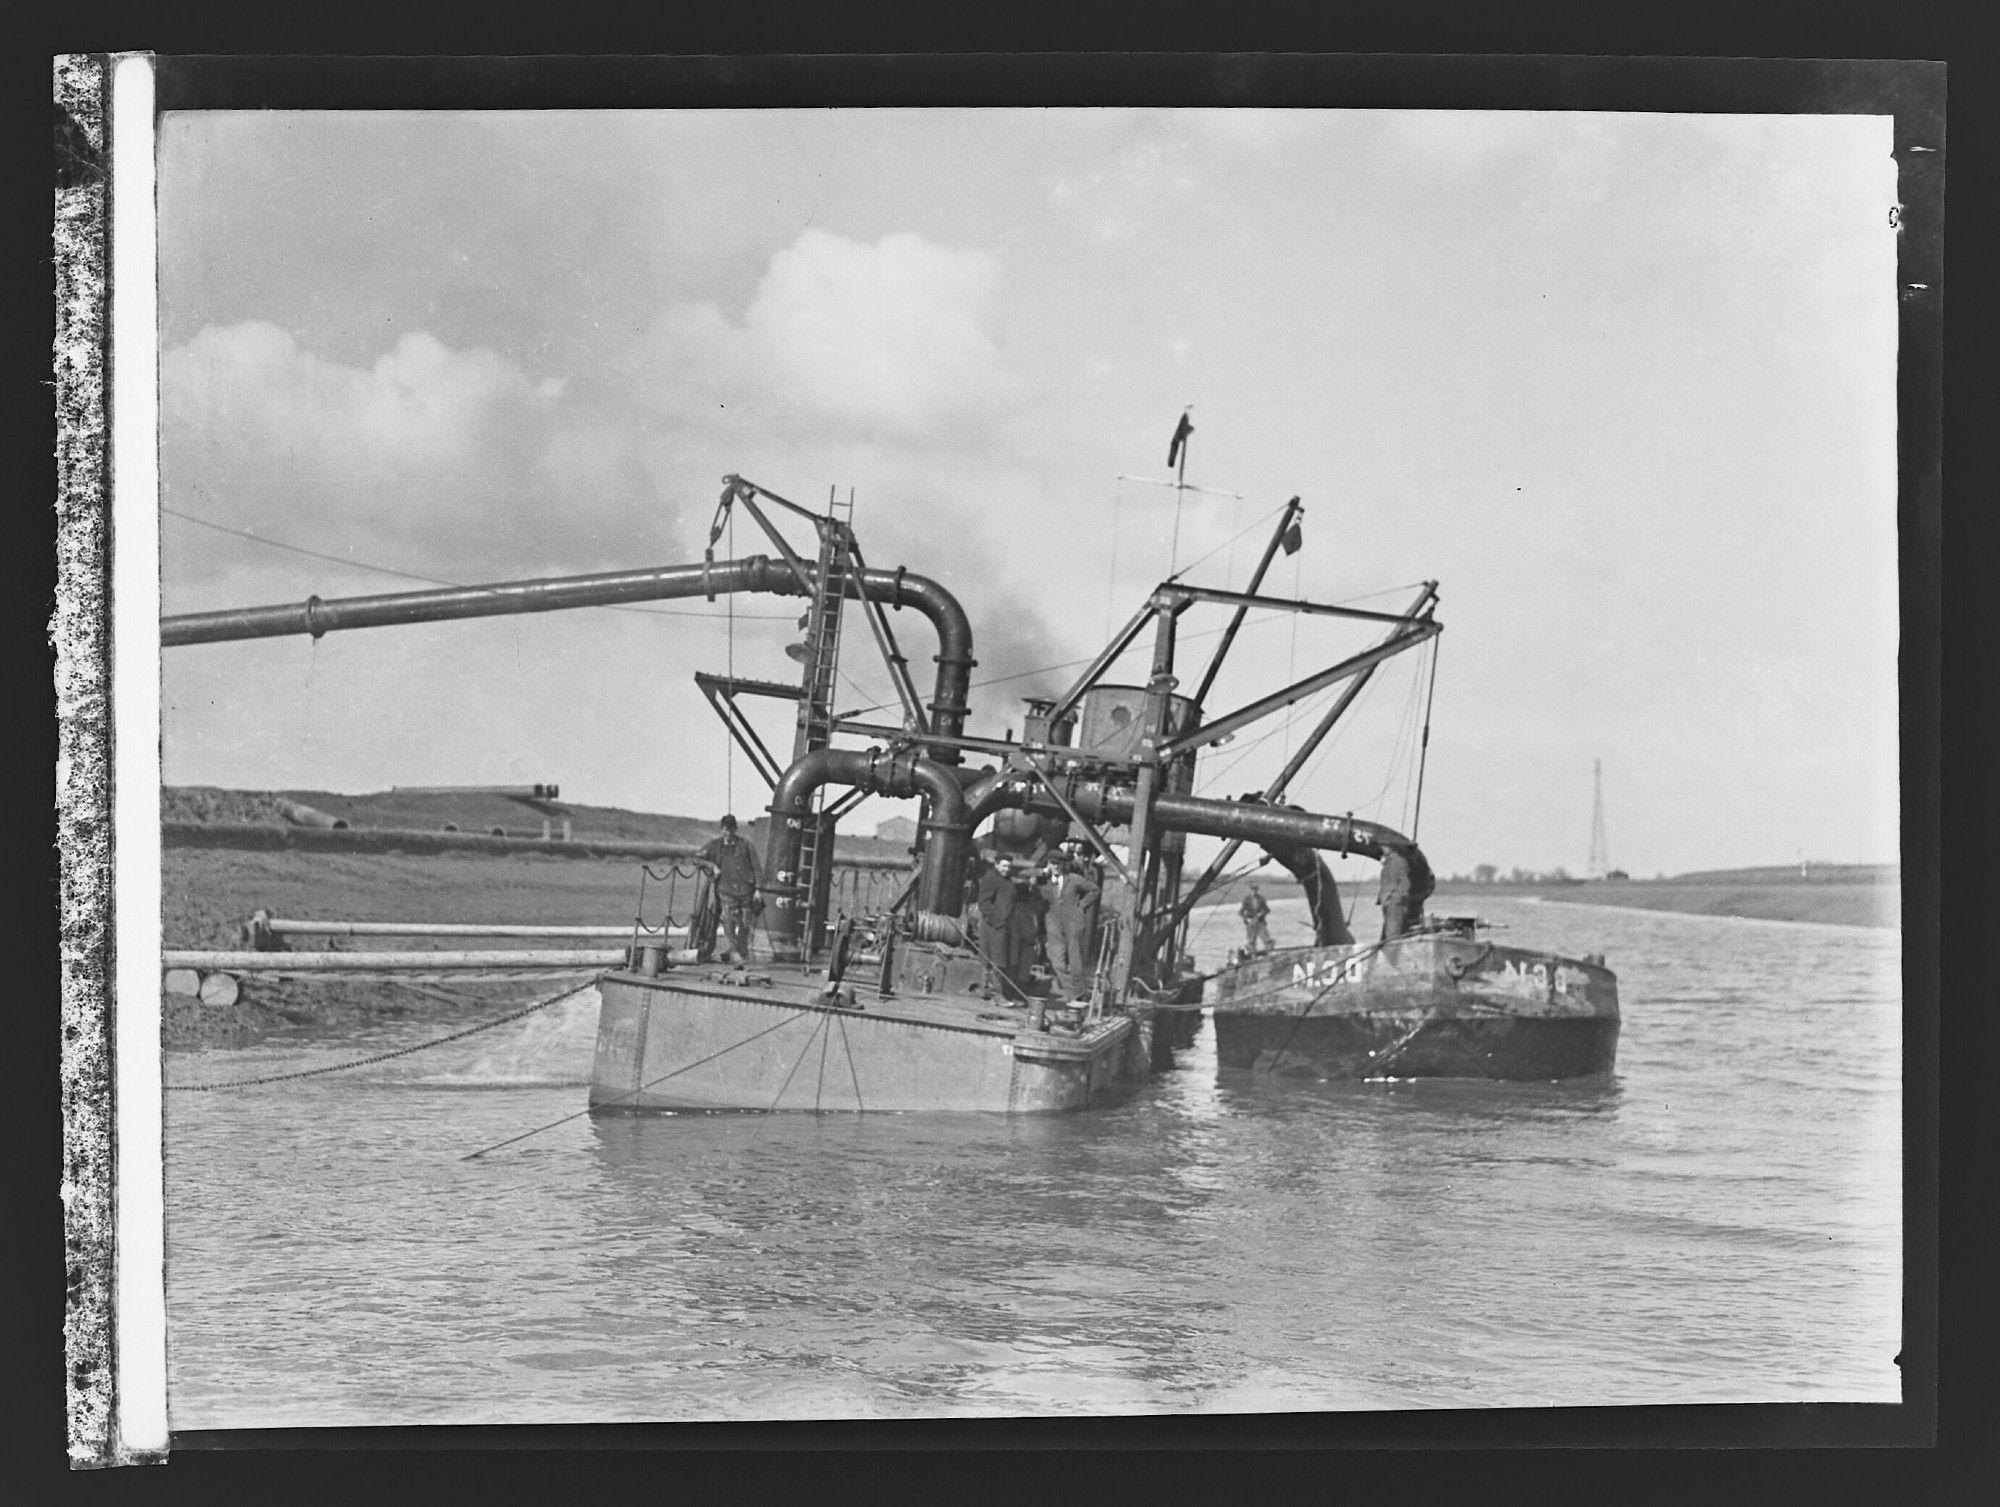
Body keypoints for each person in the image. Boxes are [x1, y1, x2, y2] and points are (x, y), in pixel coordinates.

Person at [698, 814, 761, 962]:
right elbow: (697, 858)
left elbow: (757, 867)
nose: (729, 833)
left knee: (745, 923)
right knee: (728, 920)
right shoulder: (714, 845)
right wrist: (712, 866)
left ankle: (740, 949)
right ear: (721, 829)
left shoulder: (746, 844)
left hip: (746, 890)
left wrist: (758, 889)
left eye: (731, 830)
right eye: (726, 830)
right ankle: (734, 951)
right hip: (725, 890)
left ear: (735, 829)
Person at [1049, 853, 1103, 1000]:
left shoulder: (1073, 879)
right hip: (1054, 926)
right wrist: (1041, 872)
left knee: (1075, 963)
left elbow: (1094, 890)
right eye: (1052, 863)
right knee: (1057, 963)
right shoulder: (1046, 880)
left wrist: (1081, 906)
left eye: (1058, 863)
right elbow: (1024, 874)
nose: (1055, 867)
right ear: (1048, 864)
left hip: (1073, 924)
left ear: (1063, 865)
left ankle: (1077, 994)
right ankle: (1077, 993)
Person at [974, 850, 1024, 1000]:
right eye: (1003, 866)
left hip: (1005, 928)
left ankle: (996, 992)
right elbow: (984, 904)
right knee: (996, 962)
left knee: (1004, 961)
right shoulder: (990, 879)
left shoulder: (1007, 880)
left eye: (1008, 866)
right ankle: (997, 995)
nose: (1006, 869)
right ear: (996, 865)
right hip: (993, 928)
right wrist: (998, 922)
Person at [1377, 841, 1436, 941]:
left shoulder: (1399, 861)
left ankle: (1392, 952)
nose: (1382, 849)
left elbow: (1405, 883)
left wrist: (1396, 899)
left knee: (1393, 933)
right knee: (1389, 932)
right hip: (1389, 902)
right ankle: (1389, 948)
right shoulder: (1391, 862)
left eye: (1384, 847)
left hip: (1395, 903)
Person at [1239, 881, 1273, 955]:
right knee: (1251, 942)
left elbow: (1267, 909)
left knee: (1267, 940)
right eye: (1252, 889)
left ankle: (1269, 955)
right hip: (1250, 923)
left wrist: (1261, 913)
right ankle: (1253, 956)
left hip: (1260, 922)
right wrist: (1246, 919)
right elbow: (1241, 912)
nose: (1254, 891)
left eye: (1255, 889)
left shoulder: (1261, 898)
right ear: (1250, 889)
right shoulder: (1246, 899)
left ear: (1257, 890)